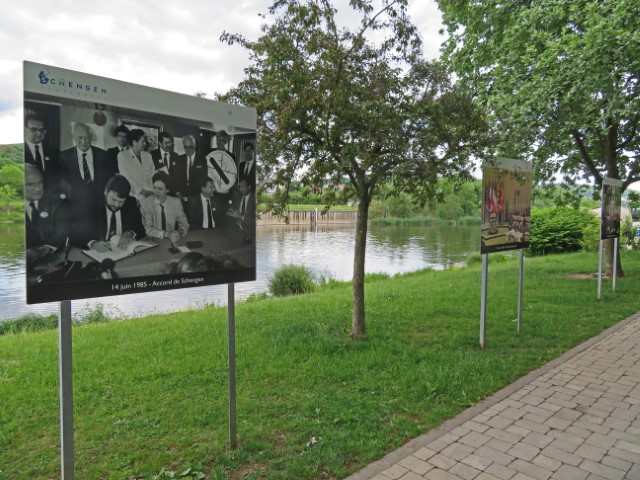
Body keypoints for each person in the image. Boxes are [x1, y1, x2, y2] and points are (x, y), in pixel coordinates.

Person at [75, 175, 145, 252]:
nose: (116, 205)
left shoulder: (131, 203)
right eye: (113, 199)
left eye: (121, 201)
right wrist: (93, 243)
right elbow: (77, 233)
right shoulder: (92, 205)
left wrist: (130, 233)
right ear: (105, 192)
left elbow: (140, 228)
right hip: (99, 254)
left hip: (124, 253)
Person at [24, 165, 69, 266]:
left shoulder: (56, 202)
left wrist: (45, 249)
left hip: (52, 258)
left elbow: (62, 232)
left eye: (40, 183)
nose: (37, 189)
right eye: (30, 184)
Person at [59, 122, 111, 205]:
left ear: (91, 137)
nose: (84, 141)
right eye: (80, 138)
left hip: (99, 203)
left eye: (87, 138)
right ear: (74, 138)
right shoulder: (64, 157)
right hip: (75, 203)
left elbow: (109, 179)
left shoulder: (103, 155)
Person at [140, 171, 189, 242]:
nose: (156, 192)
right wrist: (167, 234)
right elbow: (148, 229)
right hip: (153, 241)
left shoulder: (176, 202)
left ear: (167, 190)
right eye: (155, 188)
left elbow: (184, 223)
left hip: (172, 240)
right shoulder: (146, 203)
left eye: (160, 189)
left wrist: (180, 232)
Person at [117, 129, 155, 204]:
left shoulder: (148, 155)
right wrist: (143, 192)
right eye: (142, 141)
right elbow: (127, 178)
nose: (145, 143)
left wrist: (152, 191)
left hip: (151, 195)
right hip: (134, 197)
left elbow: (153, 174)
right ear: (134, 142)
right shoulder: (123, 155)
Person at [170, 134, 207, 200]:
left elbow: (204, 179)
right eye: (185, 147)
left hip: (196, 196)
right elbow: (175, 178)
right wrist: (177, 192)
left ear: (194, 146)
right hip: (181, 196)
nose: (187, 149)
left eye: (190, 147)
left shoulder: (202, 160)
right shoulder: (179, 159)